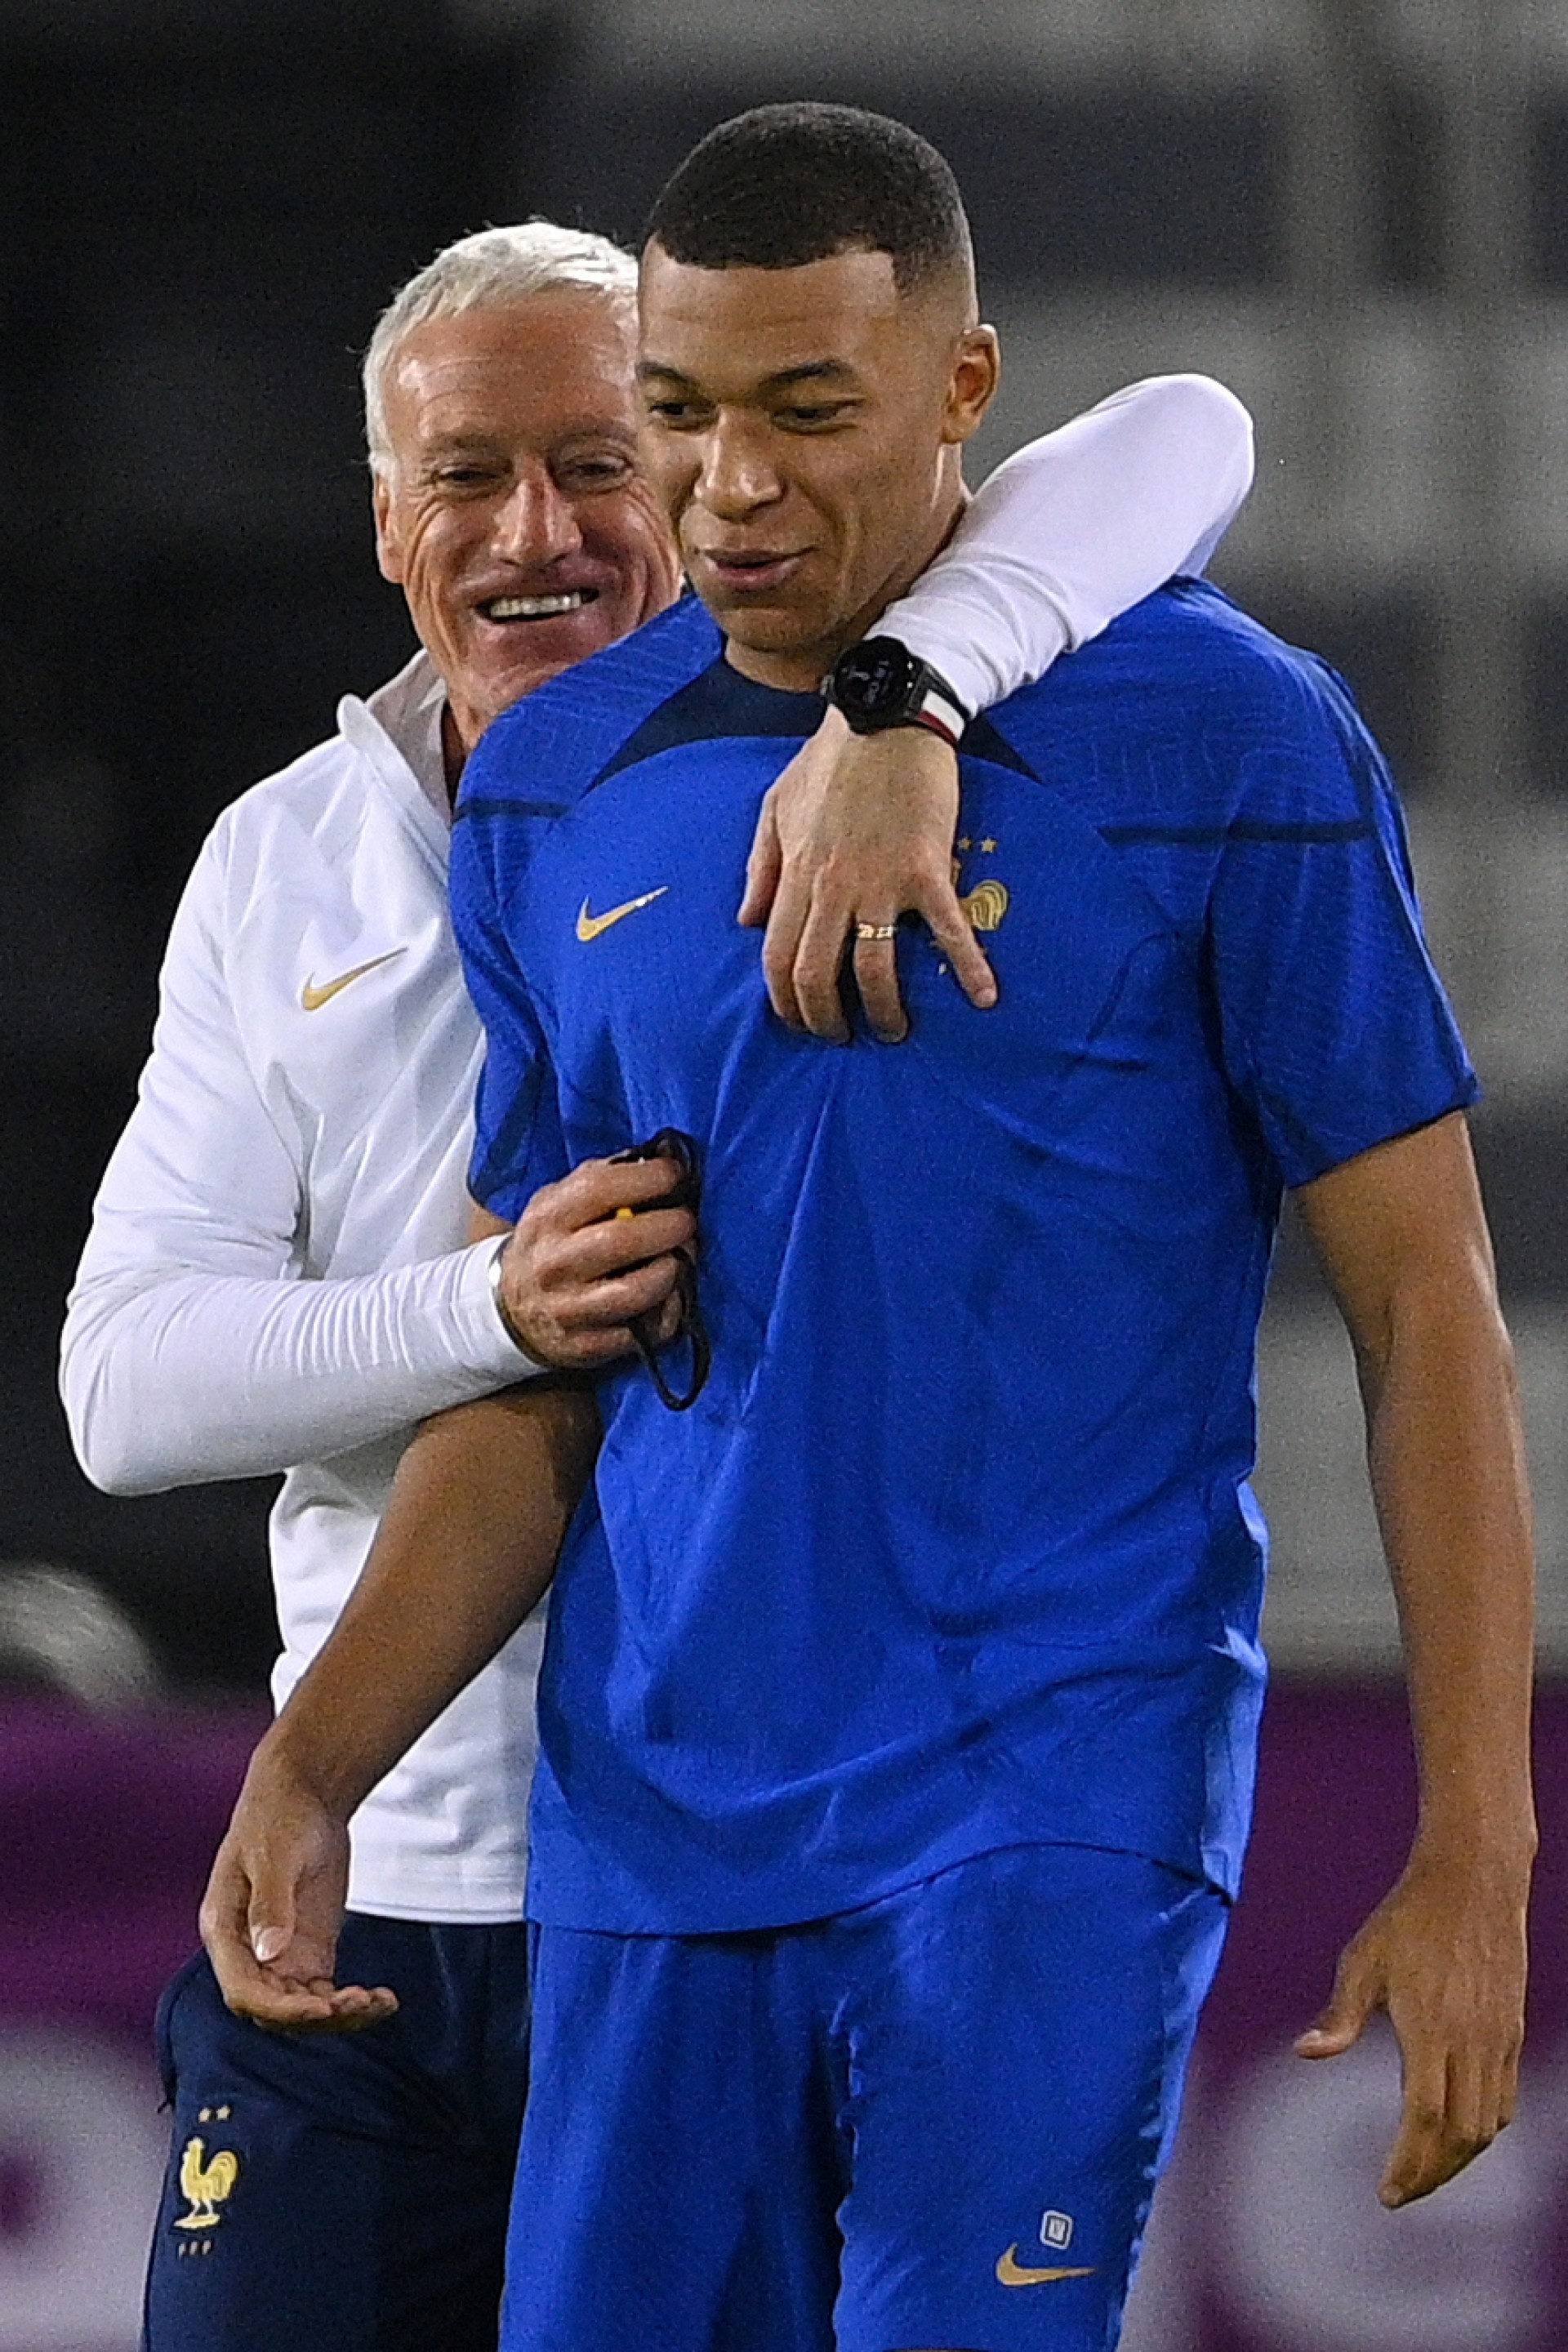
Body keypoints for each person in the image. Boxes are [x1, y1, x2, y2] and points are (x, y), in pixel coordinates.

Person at [202, 104, 1535, 2352]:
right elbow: (553, 1372)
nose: (733, 488)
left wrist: (1478, 1841)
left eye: (810, 413)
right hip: (651, 1829)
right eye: (686, 415)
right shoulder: (549, 790)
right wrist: (314, 1758)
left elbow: (1429, 1308)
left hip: (1049, 1785)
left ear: (963, 395)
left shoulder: (1233, 738)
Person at [60, 212, 1254, 2352]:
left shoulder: (840, 725)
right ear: (383, 518)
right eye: (467, 476)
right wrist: (486, 1311)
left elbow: (1192, 429)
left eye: (605, 458)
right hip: (376, 1901)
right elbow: (126, 1390)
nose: (542, 533)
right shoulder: (287, 854)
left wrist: (911, 692)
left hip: (734, 1896)